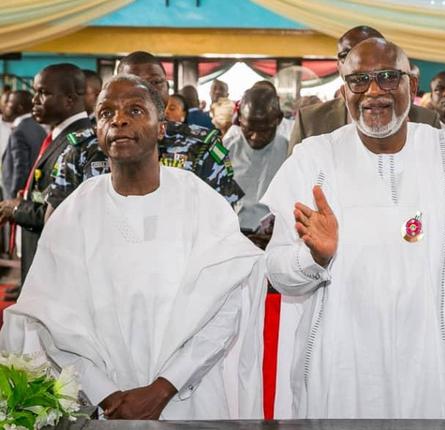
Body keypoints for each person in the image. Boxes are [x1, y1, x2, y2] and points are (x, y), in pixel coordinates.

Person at [262, 38, 445, 419]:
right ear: (343, 89)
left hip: (436, 368)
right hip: (340, 371)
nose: (373, 91)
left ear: (412, 86)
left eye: (387, 77)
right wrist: (313, 257)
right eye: (359, 80)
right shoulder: (312, 161)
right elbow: (278, 271)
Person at [0, 74, 266, 420]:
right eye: (106, 113)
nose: (119, 120)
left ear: (161, 128)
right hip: (100, 401)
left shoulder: (203, 203)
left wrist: (163, 388)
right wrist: (106, 394)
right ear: (96, 131)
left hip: (188, 396)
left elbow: (226, 310)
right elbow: (50, 317)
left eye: (136, 110)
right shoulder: (75, 212)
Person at [46, 51, 243, 211]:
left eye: (155, 82)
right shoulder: (82, 148)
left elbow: (223, 218)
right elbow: (57, 223)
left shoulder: (201, 146)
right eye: (133, 82)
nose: (145, 90)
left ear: (167, 87)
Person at [0, 64, 93, 301]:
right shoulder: (58, 136)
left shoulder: (81, 143)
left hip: (59, 270)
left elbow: (64, 214)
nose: (34, 100)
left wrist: (16, 208)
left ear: (70, 99)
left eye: (43, 93)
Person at [288, 25, 440, 154]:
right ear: (338, 66)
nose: (358, 60)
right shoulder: (309, 120)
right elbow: (294, 181)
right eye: (346, 55)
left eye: (369, 52)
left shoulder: (425, 120)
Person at [223, 86, 287, 248]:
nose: (255, 137)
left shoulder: (290, 150)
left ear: (278, 120)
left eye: (264, 130)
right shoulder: (226, 149)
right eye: (249, 128)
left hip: (275, 238)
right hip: (232, 236)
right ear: (239, 119)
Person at [1, 91, 47, 201]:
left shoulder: (19, 131)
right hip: (34, 194)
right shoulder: (39, 128)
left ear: (19, 108)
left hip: (19, 197)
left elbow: (21, 169)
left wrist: (13, 199)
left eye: (10, 103)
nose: (6, 105)